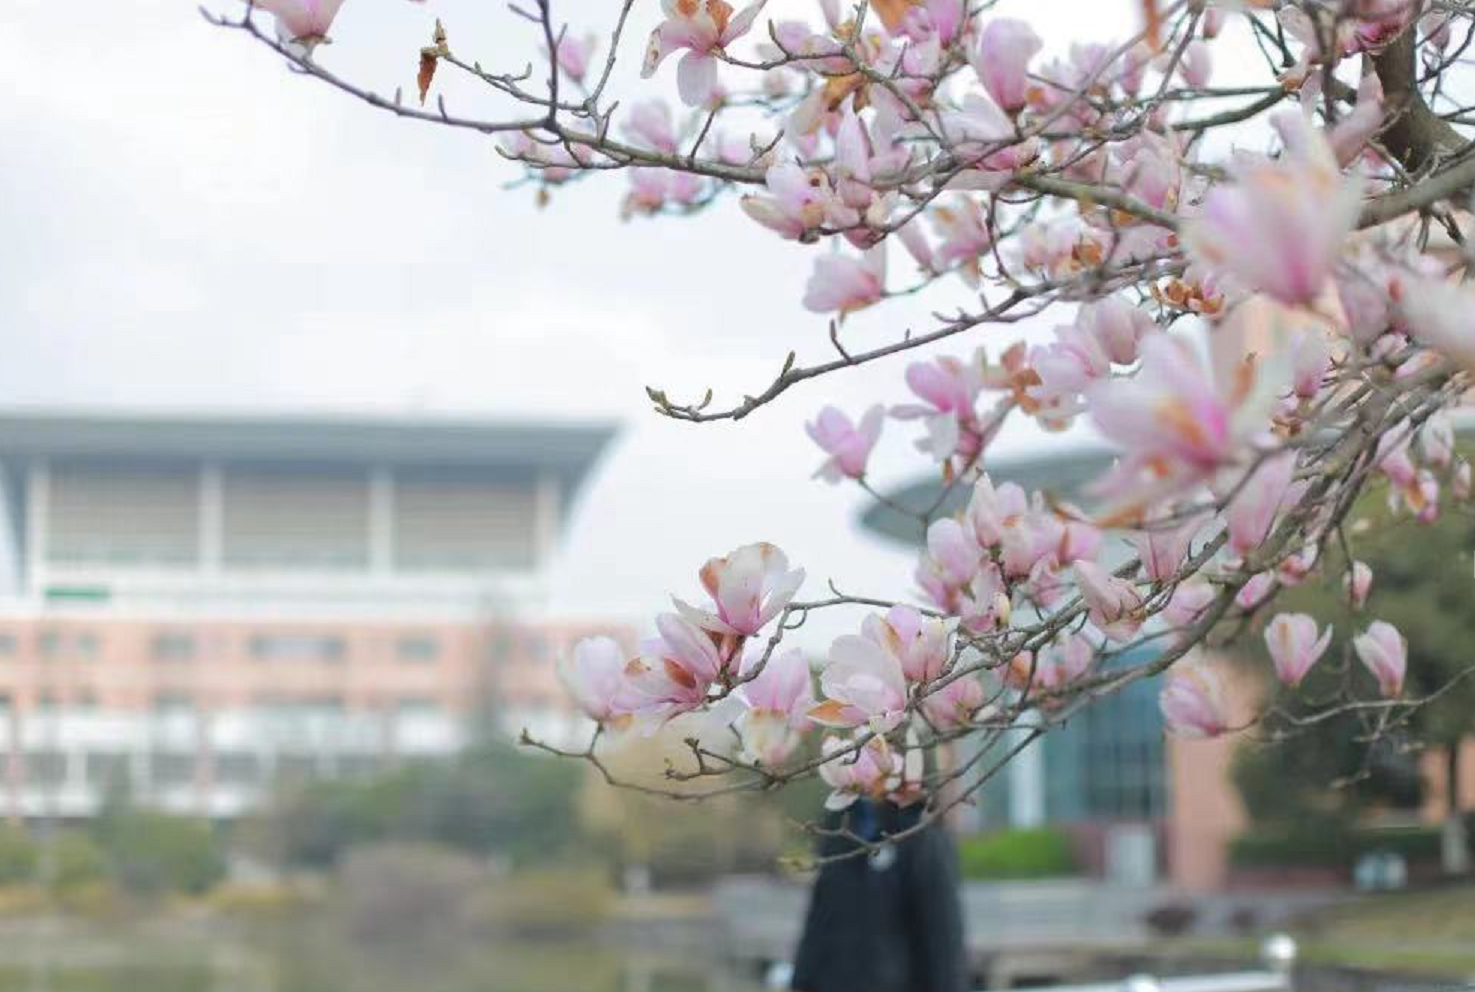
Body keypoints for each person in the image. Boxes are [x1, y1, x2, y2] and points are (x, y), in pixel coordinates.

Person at [790, 799, 968, 992]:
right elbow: (820, 912)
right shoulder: (840, 825)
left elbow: (943, 938)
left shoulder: (922, 835)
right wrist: (801, 980)